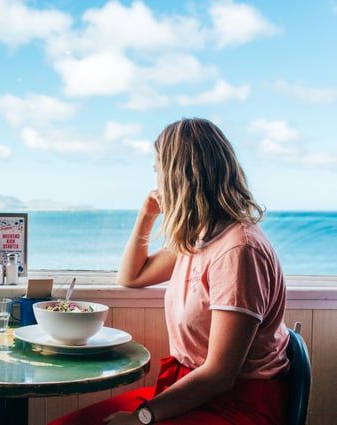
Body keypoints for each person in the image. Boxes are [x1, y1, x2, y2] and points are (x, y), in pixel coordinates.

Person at [48, 118, 289, 425]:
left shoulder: (238, 251)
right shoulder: (201, 237)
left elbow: (220, 375)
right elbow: (131, 276)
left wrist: (142, 418)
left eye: (158, 171)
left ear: (180, 176)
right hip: (190, 393)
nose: (157, 181)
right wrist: (145, 215)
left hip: (234, 405)